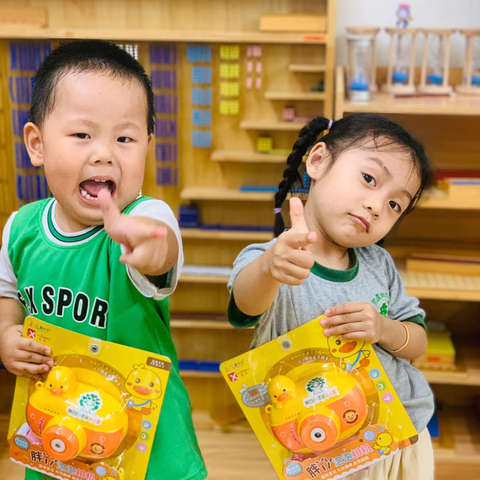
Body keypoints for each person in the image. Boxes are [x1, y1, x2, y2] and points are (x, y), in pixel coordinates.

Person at [0, 40, 207, 480]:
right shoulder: (19, 229)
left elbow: (160, 250)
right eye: (82, 135)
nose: (105, 152)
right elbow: (7, 295)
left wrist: (145, 246)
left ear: (147, 147)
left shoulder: (146, 216)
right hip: (58, 434)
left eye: (125, 138)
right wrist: (6, 335)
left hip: (149, 443)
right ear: (36, 144)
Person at [228, 114, 435, 480]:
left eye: (394, 205)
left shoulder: (379, 264)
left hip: (399, 433)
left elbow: (416, 343)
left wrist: (384, 328)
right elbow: (244, 306)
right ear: (319, 160)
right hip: (321, 450)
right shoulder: (272, 260)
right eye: (369, 179)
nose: (376, 206)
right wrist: (269, 269)